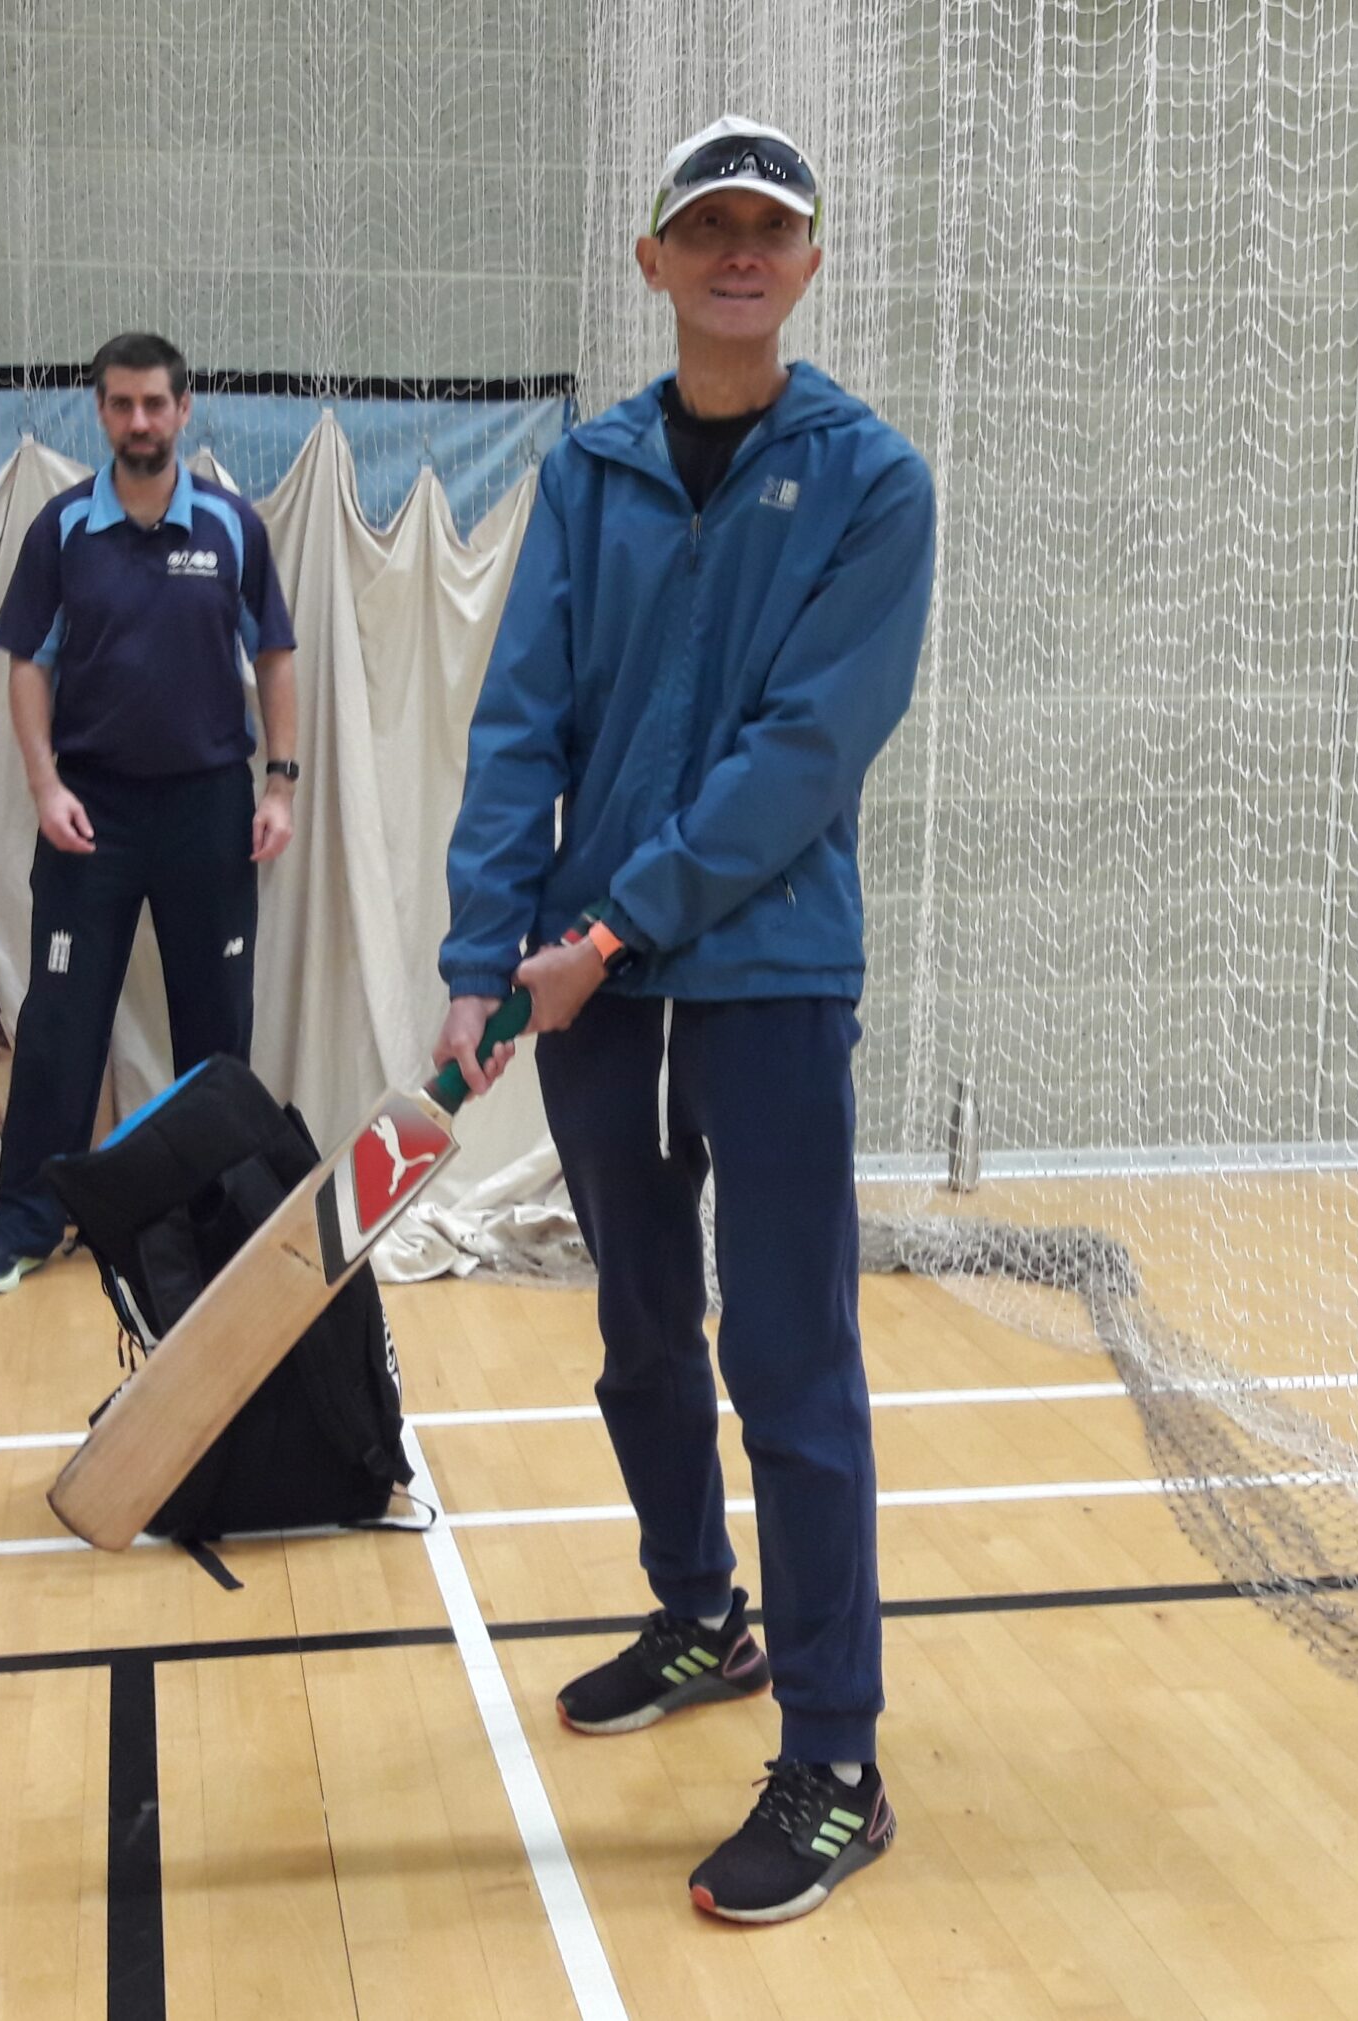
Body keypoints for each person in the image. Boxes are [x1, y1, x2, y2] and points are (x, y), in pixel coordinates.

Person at [436, 117, 934, 1922]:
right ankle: (697, 1614)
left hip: (768, 979)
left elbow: (806, 751)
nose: (737, 252)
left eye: (768, 229)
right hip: (588, 989)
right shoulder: (590, 475)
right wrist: (485, 943)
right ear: (650, 262)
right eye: (704, 227)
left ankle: (835, 1761)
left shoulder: (875, 483)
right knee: (643, 1333)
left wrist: (614, 922)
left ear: (807, 264)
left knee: (788, 1363)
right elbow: (525, 715)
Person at [0, 331, 300, 1294]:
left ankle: (219, 1223)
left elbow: (274, 656)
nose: (140, 421)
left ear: (185, 410)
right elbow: (29, 665)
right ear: (100, 412)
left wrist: (280, 784)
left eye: (156, 404)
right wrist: (44, 786)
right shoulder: (63, 530)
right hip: (90, 818)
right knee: (62, 1023)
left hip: (210, 814)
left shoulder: (233, 527)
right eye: (122, 405)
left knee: (215, 1026)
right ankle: (26, 1220)